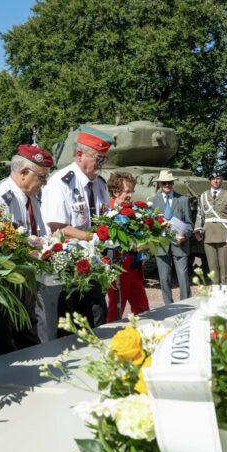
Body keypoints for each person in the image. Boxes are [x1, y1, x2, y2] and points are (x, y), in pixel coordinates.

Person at [0, 144, 53, 355]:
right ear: (22, 173)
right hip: (3, 291)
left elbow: (40, 236)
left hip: (23, 286)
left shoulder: (30, 199)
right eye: (41, 177)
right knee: (1, 349)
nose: (44, 183)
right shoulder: (0, 199)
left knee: (27, 342)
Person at [42, 125, 113, 328]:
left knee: (98, 315)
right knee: (75, 322)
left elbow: (103, 217)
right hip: (69, 266)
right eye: (98, 158)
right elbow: (57, 228)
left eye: (103, 159)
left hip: (94, 262)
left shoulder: (99, 183)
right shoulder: (61, 183)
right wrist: (92, 237)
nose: (101, 164)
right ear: (80, 154)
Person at [105, 172, 151, 322]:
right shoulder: (107, 212)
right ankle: (109, 339)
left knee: (142, 307)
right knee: (116, 309)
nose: (130, 195)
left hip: (134, 266)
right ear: (115, 191)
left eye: (132, 191)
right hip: (118, 267)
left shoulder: (133, 210)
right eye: (127, 191)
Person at [148, 170, 192, 301]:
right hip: (161, 245)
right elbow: (149, 225)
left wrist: (185, 236)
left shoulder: (183, 200)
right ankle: (169, 306)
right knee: (164, 278)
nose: (167, 185)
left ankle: (187, 304)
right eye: (164, 183)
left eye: (169, 182)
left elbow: (190, 224)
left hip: (180, 244)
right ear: (160, 184)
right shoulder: (152, 202)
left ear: (173, 183)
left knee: (183, 277)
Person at [192, 170, 227, 285]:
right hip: (208, 233)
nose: (216, 181)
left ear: (222, 179)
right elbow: (200, 215)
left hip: (224, 233)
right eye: (213, 179)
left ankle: (225, 288)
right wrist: (197, 229)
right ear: (210, 180)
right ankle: (215, 288)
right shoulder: (203, 196)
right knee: (212, 264)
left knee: (224, 264)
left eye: (218, 178)